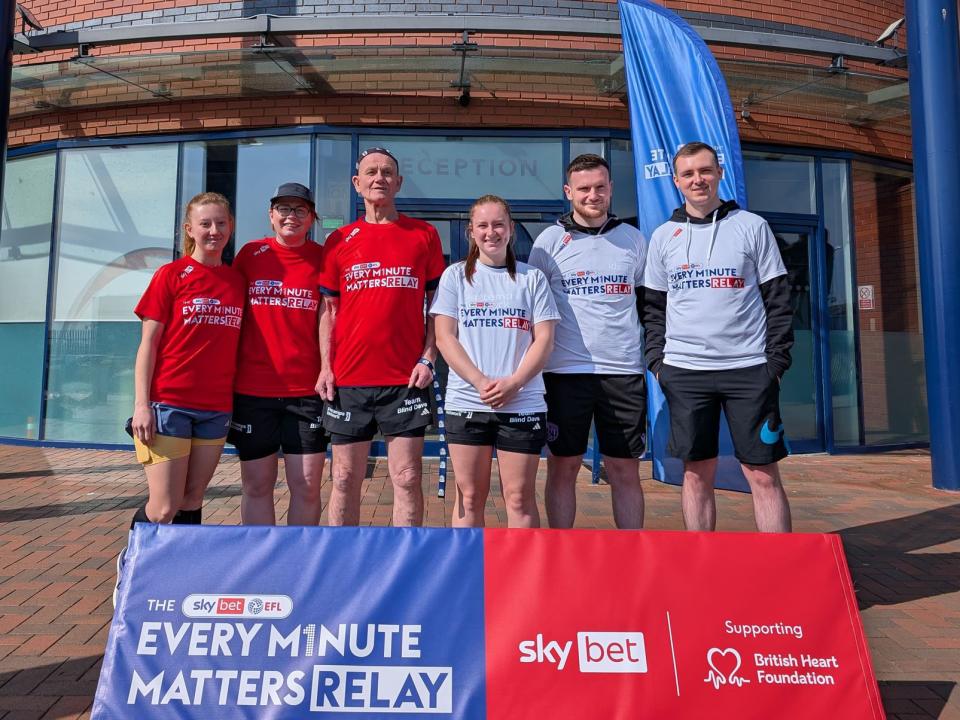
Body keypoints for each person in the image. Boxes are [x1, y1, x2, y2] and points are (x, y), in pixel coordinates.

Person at [642, 141, 794, 532]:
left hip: (749, 371)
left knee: (762, 474)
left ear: (719, 173)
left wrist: (774, 363)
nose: (698, 180)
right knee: (696, 473)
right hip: (686, 372)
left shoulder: (751, 227)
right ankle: (700, 567)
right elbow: (653, 309)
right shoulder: (664, 236)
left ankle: (780, 570)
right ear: (676, 181)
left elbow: (778, 299)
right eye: (689, 174)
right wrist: (659, 365)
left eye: (705, 171)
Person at [317, 147, 446, 527]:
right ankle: (344, 564)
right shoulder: (338, 240)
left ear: (399, 182)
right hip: (348, 380)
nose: (380, 178)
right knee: (343, 479)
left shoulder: (423, 235)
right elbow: (329, 312)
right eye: (371, 172)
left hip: (405, 380)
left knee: (406, 479)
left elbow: (437, 306)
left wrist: (429, 357)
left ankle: (403, 565)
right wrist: (325, 367)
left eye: (387, 172)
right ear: (358, 184)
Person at [528, 153, 648, 529]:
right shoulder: (548, 242)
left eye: (600, 187)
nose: (592, 195)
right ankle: (561, 549)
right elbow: (534, 311)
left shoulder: (633, 239)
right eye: (583, 188)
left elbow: (648, 307)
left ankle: (631, 554)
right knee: (563, 467)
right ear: (568, 192)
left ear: (611, 189)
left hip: (623, 372)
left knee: (624, 469)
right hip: (564, 374)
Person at [431, 195, 559, 528]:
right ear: (471, 231)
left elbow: (544, 339)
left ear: (511, 229)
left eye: (498, 224)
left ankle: (522, 579)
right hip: (469, 401)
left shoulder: (532, 279)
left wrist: (514, 383)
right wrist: (478, 381)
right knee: (469, 498)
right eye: (483, 226)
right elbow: (445, 337)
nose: (492, 232)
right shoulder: (456, 277)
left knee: (518, 498)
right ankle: (470, 574)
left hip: (522, 402)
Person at [129, 191, 245, 529]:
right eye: (205, 223)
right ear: (189, 229)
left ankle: (178, 573)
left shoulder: (237, 281)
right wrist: (141, 405)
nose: (214, 230)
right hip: (169, 404)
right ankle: (133, 560)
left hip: (215, 407)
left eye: (221, 223)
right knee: (165, 507)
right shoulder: (171, 275)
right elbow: (147, 345)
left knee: (193, 498)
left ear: (231, 227)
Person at [227, 182, 328, 525]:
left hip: (306, 392)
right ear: (271, 216)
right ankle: (261, 563)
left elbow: (331, 318)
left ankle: (300, 564)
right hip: (253, 391)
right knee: (257, 485)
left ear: (311, 218)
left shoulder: (322, 258)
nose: (291, 216)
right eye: (283, 209)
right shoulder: (250, 255)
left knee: (307, 485)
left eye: (300, 210)